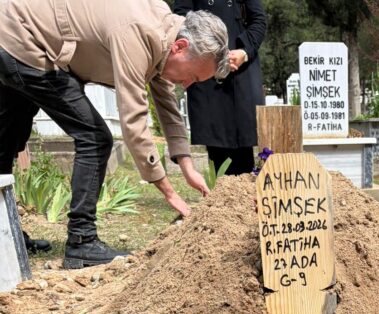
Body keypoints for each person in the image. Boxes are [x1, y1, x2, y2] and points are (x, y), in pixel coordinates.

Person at [0, 0, 230, 269]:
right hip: (22, 37)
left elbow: (168, 108)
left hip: (13, 31)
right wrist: (169, 192)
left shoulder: (165, 32)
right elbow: (133, 119)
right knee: (95, 138)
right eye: (194, 76)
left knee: (7, 138)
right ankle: (82, 241)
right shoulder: (137, 31)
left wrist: (188, 169)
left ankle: (6, 235)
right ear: (180, 47)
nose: (188, 85)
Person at [173, 0, 267, 177]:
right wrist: (209, 54)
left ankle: (246, 189)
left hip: (241, 69)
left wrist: (244, 51)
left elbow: (259, 20)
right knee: (217, 146)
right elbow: (181, 18)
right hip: (205, 67)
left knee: (244, 147)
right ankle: (221, 191)